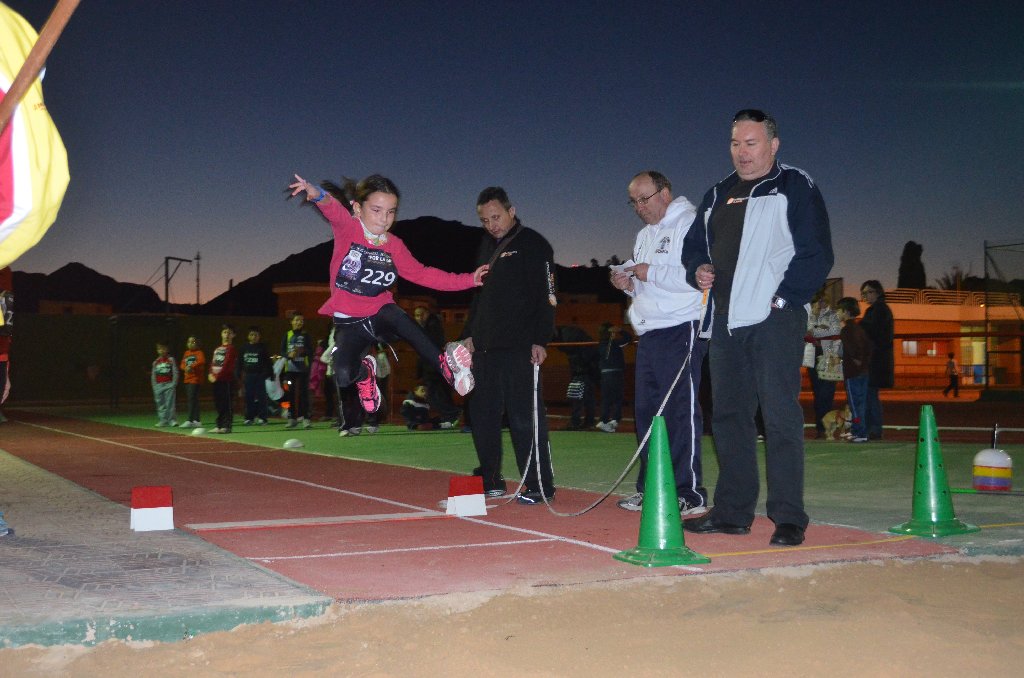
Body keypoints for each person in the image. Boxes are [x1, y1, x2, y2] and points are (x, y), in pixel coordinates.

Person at [682, 109, 834, 547]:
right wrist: (699, 268)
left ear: (773, 144)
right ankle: (732, 513)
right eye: (735, 143)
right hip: (725, 320)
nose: (742, 152)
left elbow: (817, 252)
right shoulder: (717, 193)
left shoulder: (794, 186)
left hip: (773, 317)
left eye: (751, 143)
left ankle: (789, 517)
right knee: (728, 417)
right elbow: (694, 248)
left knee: (780, 414)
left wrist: (784, 298)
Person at [288, 173, 486, 419]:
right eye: (377, 210)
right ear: (358, 208)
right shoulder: (348, 229)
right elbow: (333, 209)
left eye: (391, 212)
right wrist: (315, 192)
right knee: (342, 375)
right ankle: (365, 375)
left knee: (399, 318)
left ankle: (446, 365)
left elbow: (424, 274)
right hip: (349, 321)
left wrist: (469, 279)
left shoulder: (393, 245)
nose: (384, 219)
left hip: (380, 313)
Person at [610, 170, 709, 515]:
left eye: (644, 199)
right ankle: (652, 487)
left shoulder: (691, 224)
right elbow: (647, 282)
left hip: (682, 327)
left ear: (665, 193)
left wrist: (646, 271)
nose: (639, 207)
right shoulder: (643, 236)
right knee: (647, 413)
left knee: (680, 411)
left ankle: (690, 492)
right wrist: (629, 283)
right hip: (650, 332)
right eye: (633, 202)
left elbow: (696, 279)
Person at [463, 186, 557, 504]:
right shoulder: (485, 246)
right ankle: (491, 479)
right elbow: (478, 298)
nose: (492, 224)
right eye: (485, 219)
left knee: (524, 419)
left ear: (511, 211)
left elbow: (548, 297)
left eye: (496, 216)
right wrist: (470, 335)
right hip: (484, 351)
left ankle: (538, 484)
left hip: (520, 349)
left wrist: (541, 340)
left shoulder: (534, 244)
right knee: (483, 417)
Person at [413, 306, 461, 428]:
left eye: (420, 314)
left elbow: (429, 347)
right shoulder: (427, 326)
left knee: (433, 394)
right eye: (416, 315)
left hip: (433, 366)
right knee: (440, 393)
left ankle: (452, 414)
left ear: (427, 313)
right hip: (433, 366)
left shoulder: (432, 326)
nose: (418, 318)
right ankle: (450, 417)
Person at [859, 280, 894, 439]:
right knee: (869, 395)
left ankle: (873, 429)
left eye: (869, 292)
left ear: (878, 292)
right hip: (875, 359)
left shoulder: (879, 310)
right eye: (864, 293)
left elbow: (874, 332)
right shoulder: (876, 310)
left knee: (869, 395)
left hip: (875, 360)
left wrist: (859, 326)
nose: (866, 296)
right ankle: (871, 428)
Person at [835, 297, 872, 443]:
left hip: (852, 373)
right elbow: (868, 347)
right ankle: (860, 430)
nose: (837, 313)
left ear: (846, 312)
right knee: (861, 403)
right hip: (864, 372)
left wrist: (856, 361)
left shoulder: (846, 330)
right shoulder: (859, 328)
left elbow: (851, 349)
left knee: (854, 404)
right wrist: (863, 363)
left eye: (839, 310)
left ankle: (859, 431)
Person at [806, 294, 841, 438]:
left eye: (822, 300)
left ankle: (828, 427)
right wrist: (821, 329)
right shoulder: (810, 315)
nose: (820, 303)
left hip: (830, 357)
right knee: (818, 393)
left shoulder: (833, 314)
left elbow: (835, 331)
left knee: (827, 393)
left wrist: (815, 331)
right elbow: (805, 331)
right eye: (817, 301)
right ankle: (821, 427)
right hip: (813, 356)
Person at [555, 325, 599, 430]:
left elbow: (576, 352)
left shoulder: (569, 336)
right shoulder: (570, 334)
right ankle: (588, 421)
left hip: (583, 369)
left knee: (577, 395)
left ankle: (577, 421)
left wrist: (579, 367)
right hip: (587, 368)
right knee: (587, 396)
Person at [595, 323, 633, 433]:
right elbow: (628, 338)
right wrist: (620, 330)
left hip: (604, 374)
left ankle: (604, 420)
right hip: (615, 374)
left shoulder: (600, 345)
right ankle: (615, 420)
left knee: (606, 399)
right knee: (617, 398)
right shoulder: (615, 344)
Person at [281, 313, 313, 429]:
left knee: (303, 394)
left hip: (303, 370)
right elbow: (282, 351)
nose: (299, 322)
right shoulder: (287, 335)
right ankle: (292, 418)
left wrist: (301, 351)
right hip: (289, 370)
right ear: (292, 322)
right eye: (297, 320)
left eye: (301, 320)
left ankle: (306, 418)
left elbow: (311, 351)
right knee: (290, 393)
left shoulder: (306, 335)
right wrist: (289, 355)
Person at [208, 324, 238, 434]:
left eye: (229, 333)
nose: (226, 335)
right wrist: (210, 373)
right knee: (218, 403)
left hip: (226, 380)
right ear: (221, 334)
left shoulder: (231, 349)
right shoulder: (217, 349)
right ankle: (219, 425)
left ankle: (227, 426)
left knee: (227, 403)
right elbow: (213, 362)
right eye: (225, 332)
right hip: (216, 380)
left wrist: (217, 376)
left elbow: (227, 365)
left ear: (233, 335)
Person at [240, 326, 272, 425]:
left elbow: (268, 362)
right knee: (249, 397)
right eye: (251, 335)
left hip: (260, 376)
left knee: (262, 397)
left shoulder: (262, 347)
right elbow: (240, 362)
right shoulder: (244, 347)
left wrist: (270, 374)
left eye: (256, 335)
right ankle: (249, 418)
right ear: (248, 336)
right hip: (248, 376)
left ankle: (263, 418)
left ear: (259, 336)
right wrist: (238, 373)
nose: (254, 337)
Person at [179, 335, 206, 427]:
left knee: (192, 399)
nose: (190, 344)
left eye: (193, 342)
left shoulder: (199, 353)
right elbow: (182, 364)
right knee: (193, 400)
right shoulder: (186, 353)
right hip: (187, 379)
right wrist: (185, 368)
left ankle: (190, 420)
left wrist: (192, 366)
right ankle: (197, 420)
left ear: (197, 344)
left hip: (195, 379)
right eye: (189, 342)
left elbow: (201, 361)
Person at [151, 341, 178, 427]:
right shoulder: (156, 362)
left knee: (170, 403)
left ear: (167, 349)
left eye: (163, 348)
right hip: (159, 386)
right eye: (159, 349)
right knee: (160, 404)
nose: (161, 350)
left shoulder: (171, 360)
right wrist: (155, 386)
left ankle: (172, 420)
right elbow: (153, 375)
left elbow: (175, 371)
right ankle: (163, 420)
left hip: (169, 385)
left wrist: (173, 383)